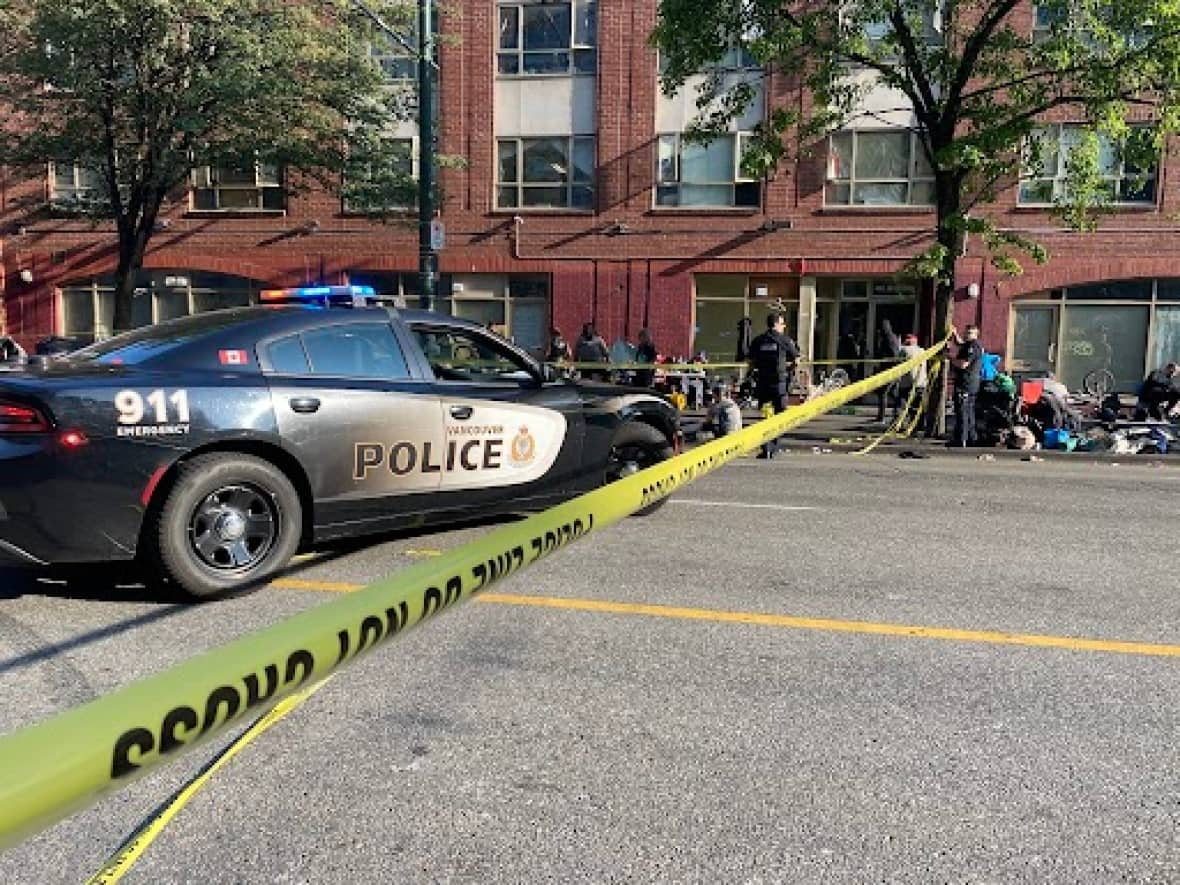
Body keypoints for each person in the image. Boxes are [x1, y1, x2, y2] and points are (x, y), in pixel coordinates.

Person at [748, 312, 799, 459]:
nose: (784, 326)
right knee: (780, 418)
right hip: (779, 385)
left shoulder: (758, 340)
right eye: (782, 324)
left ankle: (765, 448)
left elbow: (751, 362)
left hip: (763, 384)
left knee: (764, 417)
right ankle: (773, 447)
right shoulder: (784, 340)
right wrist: (789, 370)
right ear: (776, 324)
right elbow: (796, 360)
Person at [948, 324, 984, 447]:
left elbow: (963, 364)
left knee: (963, 411)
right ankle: (971, 438)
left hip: (966, 384)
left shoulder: (973, 347)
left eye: (970, 333)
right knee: (968, 411)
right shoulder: (968, 345)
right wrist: (954, 333)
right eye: (966, 332)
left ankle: (962, 439)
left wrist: (949, 358)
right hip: (969, 384)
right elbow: (960, 343)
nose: (967, 335)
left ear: (976, 334)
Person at [875, 318, 902, 422]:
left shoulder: (889, 339)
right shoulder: (890, 337)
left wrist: (886, 361)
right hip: (891, 369)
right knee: (893, 393)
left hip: (890, 370)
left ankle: (881, 417)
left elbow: (893, 355)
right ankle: (897, 414)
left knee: (883, 393)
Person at [897, 333, 927, 419]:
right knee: (918, 405)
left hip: (907, 383)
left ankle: (901, 423)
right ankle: (919, 425)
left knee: (904, 405)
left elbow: (898, 361)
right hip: (921, 382)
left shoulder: (904, 350)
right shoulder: (922, 350)